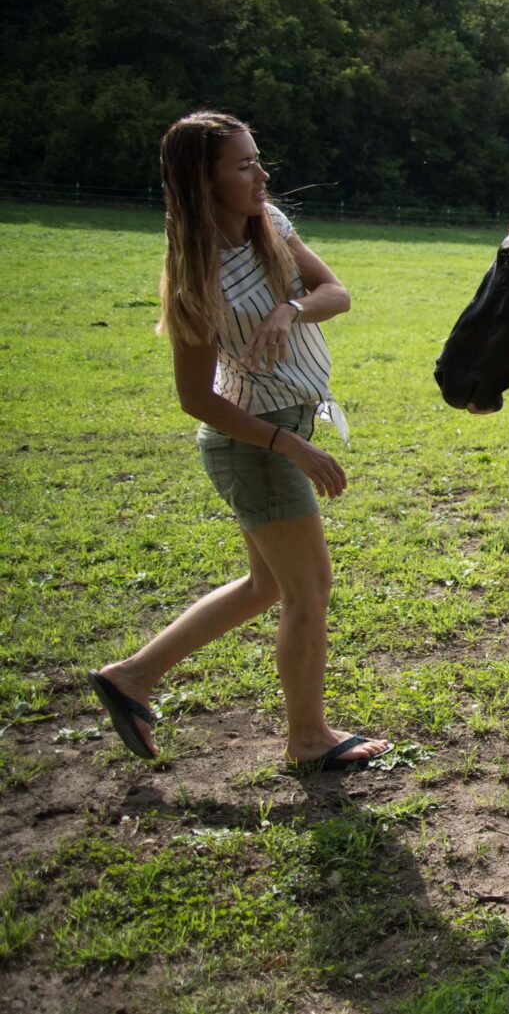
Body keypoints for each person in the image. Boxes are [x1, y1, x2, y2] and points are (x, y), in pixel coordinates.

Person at [87, 111, 390, 770]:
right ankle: (307, 737)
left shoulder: (272, 227)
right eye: (244, 165)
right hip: (252, 443)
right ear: (204, 180)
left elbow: (336, 292)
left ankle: (132, 676)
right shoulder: (197, 276)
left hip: (283, 429)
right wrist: (290, 445)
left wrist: (291, 307)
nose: (262, 174)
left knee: (265, 586)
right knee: (309, 589)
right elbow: (197, 399)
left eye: (258, 159)